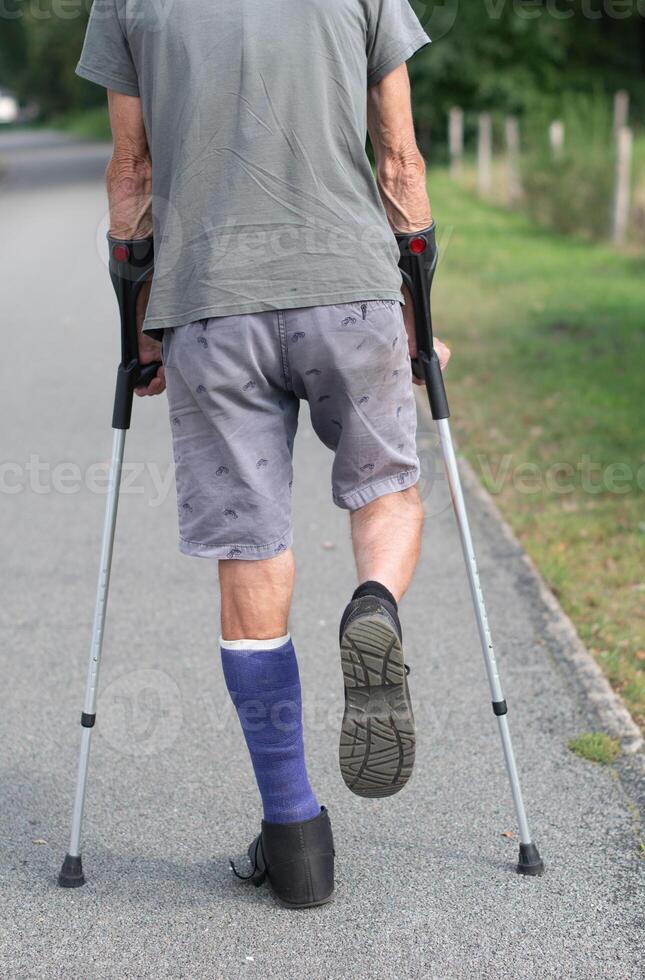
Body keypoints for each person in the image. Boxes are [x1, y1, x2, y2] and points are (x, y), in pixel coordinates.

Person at [77, 0, 450, 909]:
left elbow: (132, 172)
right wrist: (419, 315)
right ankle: (374, 607)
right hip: (349, 286)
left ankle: (296, 845)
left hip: (211, 301)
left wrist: (140, 331)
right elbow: (399, 159)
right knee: (386, 491)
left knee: (252, 550)